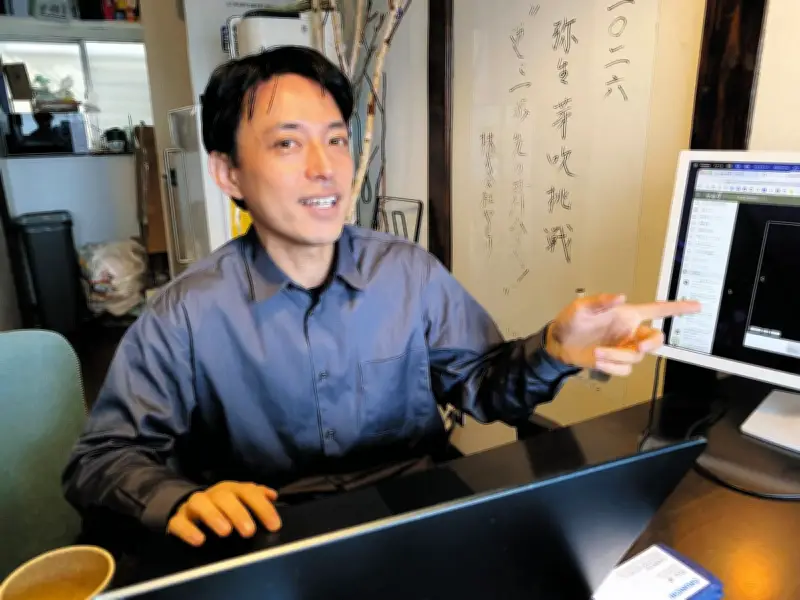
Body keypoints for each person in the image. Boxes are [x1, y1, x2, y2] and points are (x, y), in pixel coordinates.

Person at [63, 46, 699, 547]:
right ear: (229, 173)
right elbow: (101, 459)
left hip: (415, 518)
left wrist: (556, 349)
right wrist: (182, 499)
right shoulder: (185, 312)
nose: (325, 167)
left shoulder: (408, 274)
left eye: (337, 139)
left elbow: (483, 386)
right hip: (272, 537)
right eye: (287, 143)